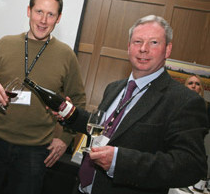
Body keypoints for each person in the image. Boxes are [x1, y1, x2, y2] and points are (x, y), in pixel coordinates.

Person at [59, 15, 209, 194]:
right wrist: (71, 114)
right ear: (129, 47)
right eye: (138, 41)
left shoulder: (184, 101)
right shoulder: (114, 88)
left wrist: (119, 162)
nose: (143, 49)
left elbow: (191, 165)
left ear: (168, 49)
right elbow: (103, 128)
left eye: (153, 42)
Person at [0, 0, 86, 193]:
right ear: (28, 11)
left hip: (34, 151)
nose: (43, 20)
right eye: (39, 11)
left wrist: (65, 139)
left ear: (58, 18)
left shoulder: (66, 55)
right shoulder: (4, 44)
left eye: (51, 14)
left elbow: (78, 102)